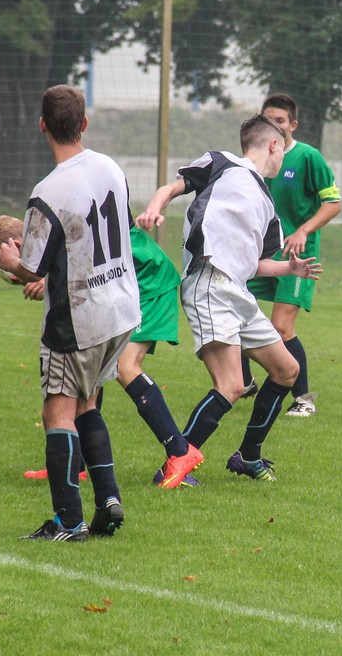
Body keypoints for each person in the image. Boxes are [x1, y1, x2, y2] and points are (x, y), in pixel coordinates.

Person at [0, 85, 202, 543]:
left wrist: (10, 261)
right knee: (87, 402)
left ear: (42, 125)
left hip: (79, 317)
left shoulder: (47, 192)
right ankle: (108, 500)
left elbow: (32, 267)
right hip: (122, 308)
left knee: (58, 411)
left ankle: (69, 522)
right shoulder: (110, 167)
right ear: (84, 123)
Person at [136, 114, 323, 482]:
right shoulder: (223, 163)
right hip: (209, 280)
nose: (283, 157)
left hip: (237, 290)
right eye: (282, 150)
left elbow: (256, 264)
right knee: (232, 385)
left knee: (287, 371)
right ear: (273, 145)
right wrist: (154, 207)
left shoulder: (266, 204)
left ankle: (248, 456)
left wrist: (289, 268)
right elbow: (172, 188)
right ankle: (174, 467)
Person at [0, 216, 201, 488]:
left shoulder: (55, 226)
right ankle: (72, 464)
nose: (12, 275)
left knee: (125, 366)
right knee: (88, 371)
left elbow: (91, 254)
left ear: (17, 245)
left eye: (5, 264)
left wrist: (47, 278)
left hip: (147, 280)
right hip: (120, 285)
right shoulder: (50, 230)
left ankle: (179, 449)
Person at [244, 93, 342, 416]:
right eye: (269, 119)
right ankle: (243, 381)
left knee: (281, 327)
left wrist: (303, 231)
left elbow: (333, 203)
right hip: (262, 253)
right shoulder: (256, 158)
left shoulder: (307, 157)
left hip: (297, 257)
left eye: (281, 120)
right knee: (235, 314)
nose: (275, 125)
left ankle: (304, 400)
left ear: (293, 124)